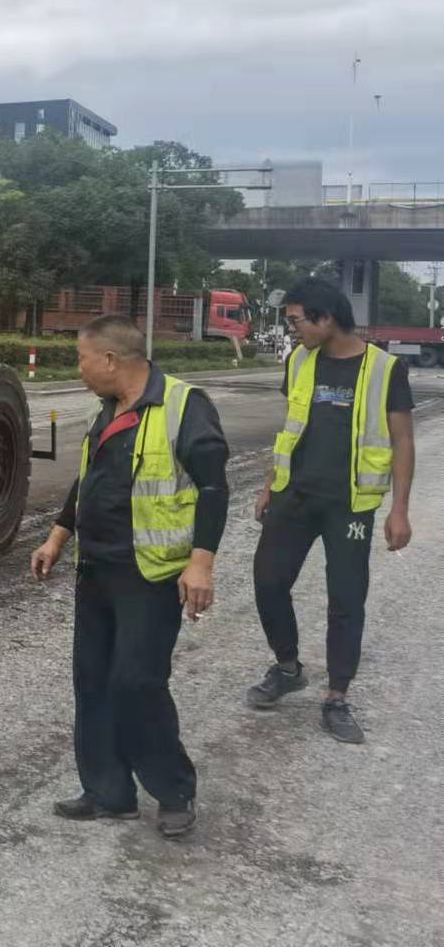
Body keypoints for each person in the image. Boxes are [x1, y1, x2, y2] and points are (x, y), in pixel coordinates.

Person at [31, 313, 229, 839]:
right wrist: (58, 535)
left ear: (112, 360)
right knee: (93, 682)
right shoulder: (108, 410)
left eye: (82, 359)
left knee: (137, 682)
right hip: (95, 568)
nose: (80, 370)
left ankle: (173, 789)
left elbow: (213, 489)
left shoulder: (185, 407)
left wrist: (202, 561)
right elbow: (88, 478)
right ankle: (108, 793)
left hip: (150, 574)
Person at [247, 278, 415, 744]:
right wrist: (268, 485)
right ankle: (287, 666)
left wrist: (399, 510)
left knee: (345, 599)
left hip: (349, 505)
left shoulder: (385, 369)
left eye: (297, 320)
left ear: (326, 318)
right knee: (268, 581)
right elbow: (290, 427)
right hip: (293, 496)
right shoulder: (299, 360)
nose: (293, 329)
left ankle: (336, 696)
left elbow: (403, 439)